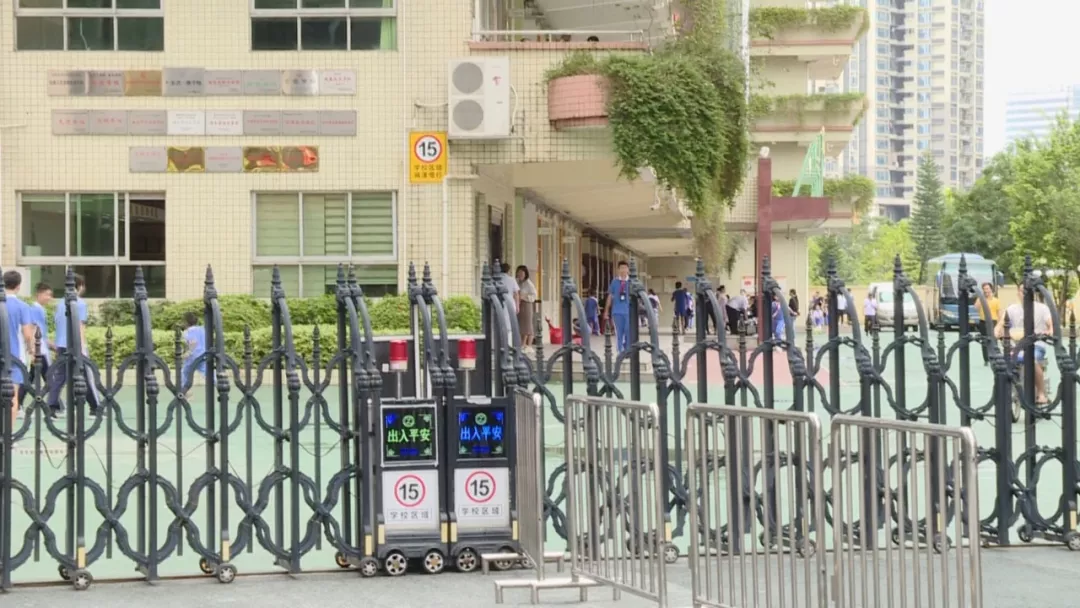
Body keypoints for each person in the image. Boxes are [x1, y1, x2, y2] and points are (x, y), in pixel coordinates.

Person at [47, 273, 100, 415]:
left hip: (61, 344)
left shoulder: (60, 303)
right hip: (76, 345)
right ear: (80, 286)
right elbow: (80, 326)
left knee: (60, 377)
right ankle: (95, 407)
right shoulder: (80, 303)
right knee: (87, 376)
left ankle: (51, 406)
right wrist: (82, 347)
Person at [996, 285, 1053, 404]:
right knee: (1001, 363)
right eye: (1023, 291)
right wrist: (996, 332)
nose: (1025, 294)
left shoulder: (1042, 308)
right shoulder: (1012, 309)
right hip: (1016, 344)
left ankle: (1041, 393)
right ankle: (1002, 392)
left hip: (1036, 344)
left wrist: (1048, 332)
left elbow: (1050, 325)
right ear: (1018, 293)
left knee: (1031, 359)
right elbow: (1000, 324)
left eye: (1028, 291)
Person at [3, 271, 35, 426]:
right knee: (12, 396)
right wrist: (31, 350)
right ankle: (8, 433)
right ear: (18, 286)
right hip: (15, 357)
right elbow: (28, 334)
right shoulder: (22, 306)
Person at [19, 282, 53, 411]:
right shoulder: (35, 309)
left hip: (41, 349)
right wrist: (33, 349)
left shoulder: (39, 309)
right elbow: (33, 329)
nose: (49, 298)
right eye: (47, 295)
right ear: (39, 294)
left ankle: (54, 405)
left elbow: (41, 332)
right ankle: (52, 406)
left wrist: (51, 345)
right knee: (49, 380)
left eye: (50, 295)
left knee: (31, 378)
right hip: (39, 350)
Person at [603, 260, 631, 353]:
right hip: (617, 311)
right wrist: (606, 311)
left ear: (628, 270)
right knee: (619, 332)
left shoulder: (631, 282)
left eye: (625, 268)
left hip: (629, 311)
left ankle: (627, 349)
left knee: (628, 331)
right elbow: (610, 296)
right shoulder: (614, 282)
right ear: (618, 270)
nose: (623, 270)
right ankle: (620, 351)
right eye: (621, 268)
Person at [181, 312, 207, 398]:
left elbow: (193, 343)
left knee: (184, 373)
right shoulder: (202, 329)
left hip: (192, 357)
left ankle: (184, 393)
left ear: (186, 322)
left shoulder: (187, 332)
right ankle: (221, 387)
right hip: (203, 355)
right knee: (208, 373)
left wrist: (187, 353)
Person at [978, 282, 1000, 366]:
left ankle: (995, 357)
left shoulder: (996, 300)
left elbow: (999, 313)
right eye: (984, 289)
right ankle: (986, 359)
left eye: (987, 288)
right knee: (984, 340)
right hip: (983, 322)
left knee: (993, 340)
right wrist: (981, 298)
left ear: (991, 289)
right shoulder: (981, 299)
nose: (986, 290)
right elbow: (976, 307)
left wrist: (999, 325)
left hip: (993, 321)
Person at [515, 265, 537, 347]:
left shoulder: (529, 283)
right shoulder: (518, 282)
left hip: (527, 304)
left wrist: (525, 297)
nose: (520, 275)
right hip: (519, 304)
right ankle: (522, 344)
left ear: (525, 274)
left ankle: (529, 345)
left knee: (528, 325)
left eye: (522, 273)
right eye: (519, 273)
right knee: (521, 325)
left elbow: (534, 295)